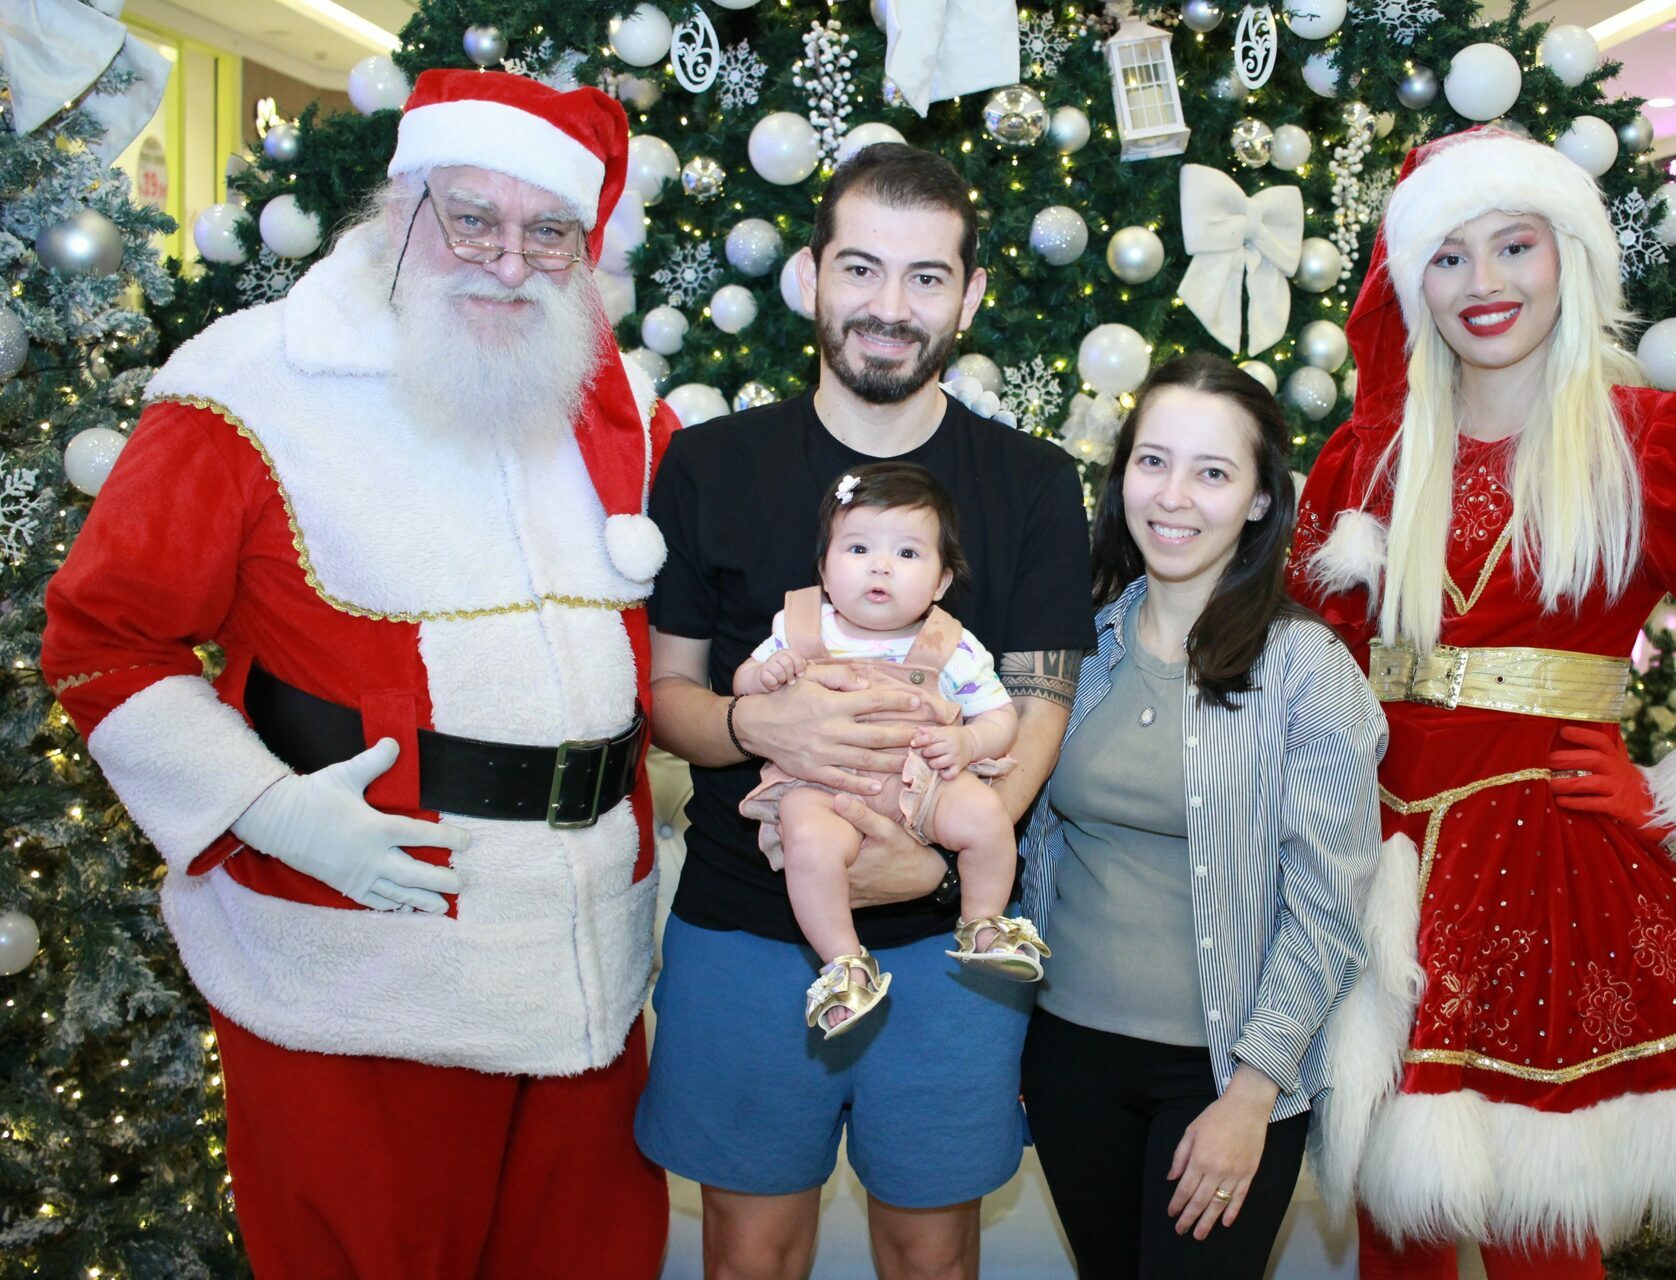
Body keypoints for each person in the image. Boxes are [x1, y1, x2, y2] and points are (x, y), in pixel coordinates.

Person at [41, 72, 675, 1278]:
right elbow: (102, 637)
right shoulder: (248, 385)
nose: (509, 261)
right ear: (401, 208)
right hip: (362, 959)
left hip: (587, 965)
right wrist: (269, 809)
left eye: (549, 232)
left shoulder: (622, 407)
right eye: (471, 219)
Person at [1288, 127, 1676, 1278]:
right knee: (1395, 1232)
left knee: (1541, 1237)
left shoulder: (1655, 444)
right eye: (1448, 256)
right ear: (1412, 280)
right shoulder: (1368, 459)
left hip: (1552, 870)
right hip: (1378, 872)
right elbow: (1318, 660)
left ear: (1571, 254)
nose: (1484, 281)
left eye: (1515, 245)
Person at [635, 141, 1096, 1280]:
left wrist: (931, 856)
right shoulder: (708, 466)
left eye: (926, 277)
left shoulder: (1034, 483)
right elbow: (668, 698)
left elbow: (1039, 703)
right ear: (811, 276)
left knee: (931, 1256)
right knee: (749, 1254)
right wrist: (754, 728)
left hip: (949, 946)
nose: (890, 307)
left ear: (969, 296)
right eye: (861, 268)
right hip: (747, 927)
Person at [1016, 354, 1387, 1277]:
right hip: (1067, 1059)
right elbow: (1023, 839)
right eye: (1153, 462)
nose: (1173, 497)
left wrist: (1252, 1096)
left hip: (1225, 1074)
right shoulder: (1078, 643)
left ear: (1260, 500)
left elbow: (1329, 908)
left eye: (1212, 472)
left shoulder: (1307, 669)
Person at [737, 461, 1049, 1038]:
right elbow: (743, 684)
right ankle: (843, 963)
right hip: (823, 785)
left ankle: (983, 923)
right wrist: (764, 675)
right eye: (858, 548)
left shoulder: (951, 645)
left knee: (986, 816)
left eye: (907, 553)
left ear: (941, 582)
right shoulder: (799, 629)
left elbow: (1000, 716)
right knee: (809, 843)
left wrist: (967, 741)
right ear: (824, 569)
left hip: (923, 778)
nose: (880, 566)